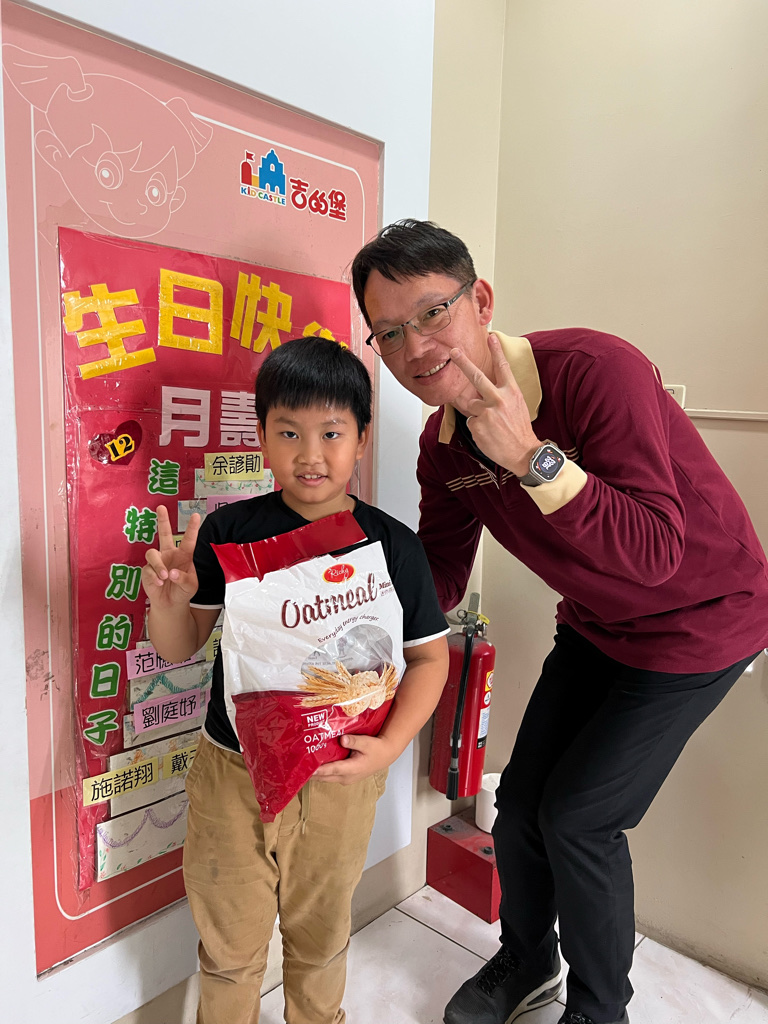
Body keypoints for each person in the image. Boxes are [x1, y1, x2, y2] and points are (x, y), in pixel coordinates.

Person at [351, 220, 768, 1024]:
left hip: (702, 620)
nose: (415, 348)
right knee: (520, 805)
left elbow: (655, 551)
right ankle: (529, 961)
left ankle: (600, 1010)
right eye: (389, 332)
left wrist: (530, 457)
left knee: (579, 819)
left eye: (433, 313)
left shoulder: (594, 371)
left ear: (481, 301)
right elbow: (441, 576)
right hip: (597, 622)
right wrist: (338, 581)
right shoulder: (443, 449)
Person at [141, 336, 449, 1024]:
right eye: (289, 432)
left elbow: (430, 660)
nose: (310, 454)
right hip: (232, 773)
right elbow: (182, 645)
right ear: (261, 437)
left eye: (331, 432)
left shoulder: (393, 547)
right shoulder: (230, 531)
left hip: (339, 774)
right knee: (228, 949)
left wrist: (391, 746)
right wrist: (167, 602)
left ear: (361, 437)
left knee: (321, 937)